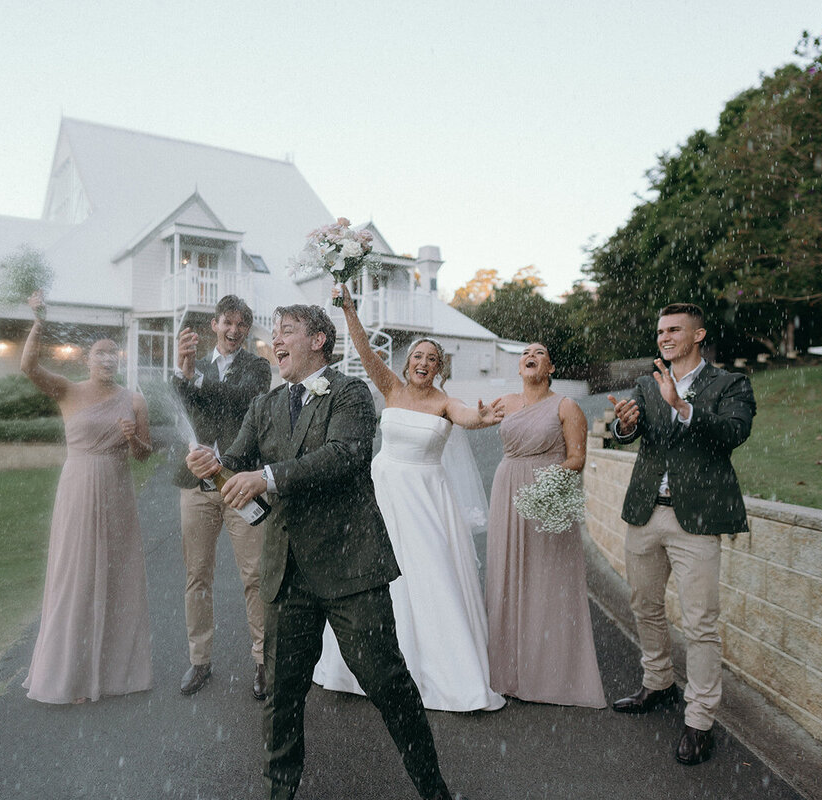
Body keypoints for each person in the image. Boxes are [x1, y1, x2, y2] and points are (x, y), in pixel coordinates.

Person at [187, 303, 465, 800]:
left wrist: (266, 477)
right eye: (274, 332)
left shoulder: (351, 392)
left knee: (387, 683)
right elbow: (237, 462)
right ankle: (279, 791)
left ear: (318, 340)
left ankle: (434, 789)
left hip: (350, 569)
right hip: (286, 573)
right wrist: (212, 466)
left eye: (286, 330)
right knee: (281, 694)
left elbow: (345, 455)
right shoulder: (264, 406)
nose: (276, 340)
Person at [312, 283, 506, 712]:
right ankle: (363, 669)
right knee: (372, 574)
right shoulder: (391, 388)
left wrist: (483, 417)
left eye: (431, 358)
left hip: (425, 501)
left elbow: (467, 417)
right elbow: (363, 351)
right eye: (417, 356)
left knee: (429, 575)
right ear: (407, 363)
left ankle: (441, 673)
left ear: (439, 368)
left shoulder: (445, 402)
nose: (423, 362)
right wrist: (349, 311)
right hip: (383, 494)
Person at [607, 302, 756, 766]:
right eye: (659, 331)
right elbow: (631, 434)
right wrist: (624, 426)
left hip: (698, 519)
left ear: (698, 335)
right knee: (645, 606)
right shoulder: (647, 382)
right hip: (647, 511)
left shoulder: (730, 384)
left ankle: (700, 720)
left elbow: (734, 433)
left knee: (700, 623)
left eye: (674, 330)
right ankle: (657, 684)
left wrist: (682, 406)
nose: (664, 337)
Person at [19, 291, 154, 705]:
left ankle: (114, 673)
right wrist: (39, 321)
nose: (107, 359)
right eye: (99, 353)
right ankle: (70, 677)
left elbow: (146, 454)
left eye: (113, 354)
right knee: (75, 575)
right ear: (87, 360)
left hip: (117, 491)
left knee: (117, 576)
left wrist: (134, 440)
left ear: (120, 362)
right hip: (77, 488)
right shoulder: (67, 390)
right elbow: (28, 366)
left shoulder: (135, 400)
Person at [484, 343, 606, 708]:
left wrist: (545, 486)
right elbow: (471, 419)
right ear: (520, 366)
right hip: (506, 492)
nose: (530, 355)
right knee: (506, 576)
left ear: (550, 366)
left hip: (547, 499)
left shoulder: (566, 406)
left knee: (548, 581)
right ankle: (506, 672)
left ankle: (550, 675)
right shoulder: (505, 401)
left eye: (539, 352)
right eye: (525, 353)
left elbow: (577, 458)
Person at [171, 295, 272, 699]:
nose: (234, 331)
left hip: (238, 483)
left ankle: (264, 661)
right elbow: (180, 410)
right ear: (214, 325)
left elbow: (241, 399)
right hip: (197, 489)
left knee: (255, 576)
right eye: (227, 323)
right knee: (197, 576)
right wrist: (183, 371)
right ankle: (199, 661)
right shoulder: (194, 367)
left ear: (246, 330)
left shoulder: (259, 369)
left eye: (241, 325)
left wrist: (194, 376)